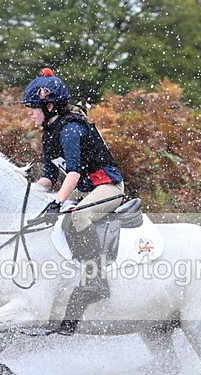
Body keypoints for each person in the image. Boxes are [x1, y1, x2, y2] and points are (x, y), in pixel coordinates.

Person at [21, 68, 126, 332]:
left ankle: (95, 280)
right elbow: (47, 177)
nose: (30, 113)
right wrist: (29, 196)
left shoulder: (70, 130)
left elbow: (74, 172)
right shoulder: (48, 132)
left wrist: (58, 203)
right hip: (83, 188)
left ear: (50, 106)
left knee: (78, 214)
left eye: (34, 108)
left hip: (108, 186)